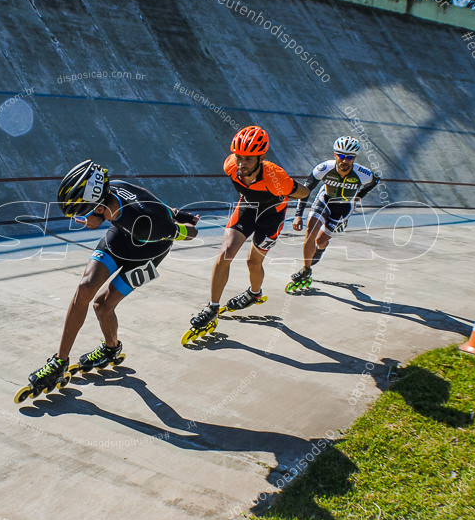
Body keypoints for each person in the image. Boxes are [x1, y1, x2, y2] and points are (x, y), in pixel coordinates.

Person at [16, 160, 200, 402]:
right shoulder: (112, 188)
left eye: (82, 214)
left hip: (149, 252)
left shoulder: (146, 224)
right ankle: (59, 362)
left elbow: (189, 232)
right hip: (122, 234)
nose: (80, 220)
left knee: (102, 305)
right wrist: (174, 210)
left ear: (100, 208)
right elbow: (150, 199)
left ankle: (111, 348)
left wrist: (175, 223)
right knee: (85, 288)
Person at [188, 126, 309, 334]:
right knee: (225, 253)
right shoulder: (230, 165)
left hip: (272, 216)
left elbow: (304, 192)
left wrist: (294, 203)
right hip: (248, 208)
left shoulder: (276, 177)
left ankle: (254, 293)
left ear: (261, 158)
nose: (242, 164)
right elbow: (237, 165)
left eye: (249, 159)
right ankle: (212, 307)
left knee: (253, 262)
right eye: (239, 157)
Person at [289, 136, 380, 290]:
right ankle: (306, 269)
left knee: (320, 241)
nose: (345, 160)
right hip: (324, 201)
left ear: (354, 158)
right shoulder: (323, 168)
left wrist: (359, 196)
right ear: (335, 155)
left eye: (349, 157)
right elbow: (305, 191)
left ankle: (321, 249)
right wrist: (298, 215)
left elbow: (375, 181)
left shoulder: (363, 173)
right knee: (310, 233)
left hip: (343, 209)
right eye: (341, 156)